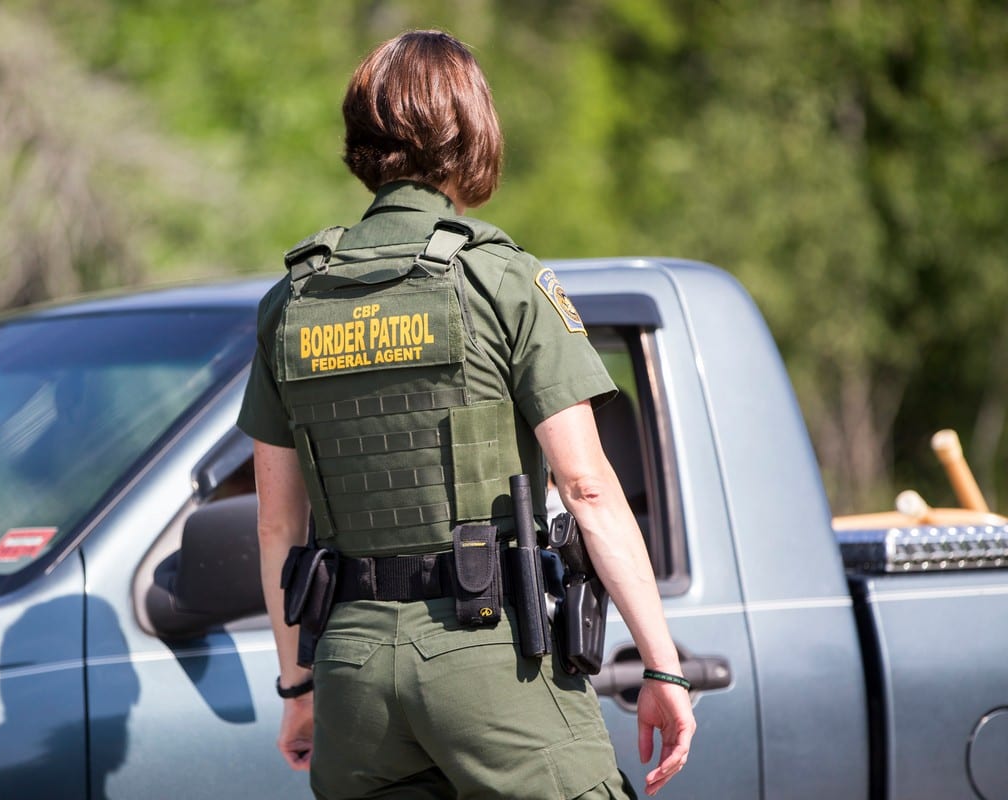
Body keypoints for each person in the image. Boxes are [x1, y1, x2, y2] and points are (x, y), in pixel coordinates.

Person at [237, 29, 695, 800]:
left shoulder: (291, 302)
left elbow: (277, 527)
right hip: (489, 657)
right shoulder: (500, 281)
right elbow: (585, 490)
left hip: (352, 679)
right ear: (470, 134)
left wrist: (298, 689)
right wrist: (661, 664)